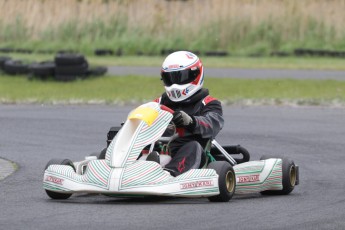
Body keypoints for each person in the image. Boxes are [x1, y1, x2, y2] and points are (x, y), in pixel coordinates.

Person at [152, 51, 224, 176]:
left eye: (180, 77)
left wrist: (191, 121)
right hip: (158, 149)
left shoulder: (209, 103)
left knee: (193, 146)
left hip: (189, 152)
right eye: (170, 78)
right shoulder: (158, 103)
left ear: (195, 74)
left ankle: (170, 174)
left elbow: (212, 124)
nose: (174, 84)